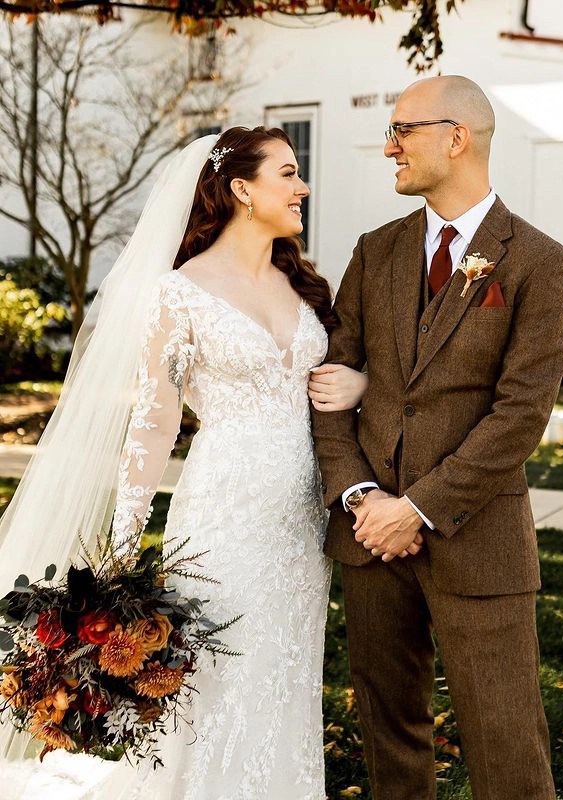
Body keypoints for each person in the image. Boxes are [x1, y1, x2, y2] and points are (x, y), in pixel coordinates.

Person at [0, 127, 367, 799]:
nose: (302, 186)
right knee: (217, 674)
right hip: (225, 514)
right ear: (241, 190)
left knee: (284, 668)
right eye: (288, 173)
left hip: (301, 524)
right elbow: (155, 417)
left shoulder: (305, 284)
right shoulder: (180, 293)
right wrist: (121, 549)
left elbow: (344, 380)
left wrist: (360, 388)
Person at [311, 75, 563, 800]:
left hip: (478, 542)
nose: (388, 145)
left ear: (457, 138)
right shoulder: (376, 251)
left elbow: (521, 413)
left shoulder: (538, 261)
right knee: (390, 739)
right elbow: (331, 382)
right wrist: (363, 498)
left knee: (507, 748)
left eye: (404, 130)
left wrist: (417, 508)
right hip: (371, 542)